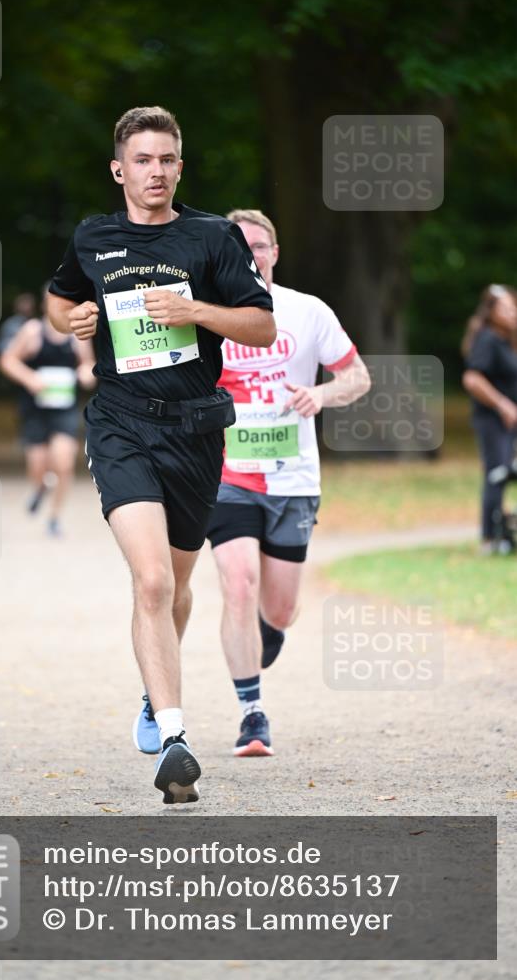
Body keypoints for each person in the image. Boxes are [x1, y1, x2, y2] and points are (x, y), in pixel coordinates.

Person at [47, 106, 276, 803]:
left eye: (166, 159)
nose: (154, 171)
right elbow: (61, 302)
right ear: (119, 170)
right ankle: (175, 738)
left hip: (196, 431)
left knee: (176, 588)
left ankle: (154, 692)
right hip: (120, 422)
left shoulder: (211, 237)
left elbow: (261, 325)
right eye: (141, 160)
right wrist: (72, 318)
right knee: (149, 582)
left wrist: (197, 313)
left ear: (180, 166)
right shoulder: (94, 237)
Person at [205, 209, 371, 756]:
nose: (251, 254)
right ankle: (252, 714)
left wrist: (321, 396)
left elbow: (356, 377)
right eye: (240, 246)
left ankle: (261, 632)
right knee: (239, 583)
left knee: (278, 610)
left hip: (294, 478)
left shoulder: (307, 311)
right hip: (228, 476)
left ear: (275, 252)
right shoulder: (206, 315)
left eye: (260, 245)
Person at [0, 284, 96, 537]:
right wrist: (29, 377)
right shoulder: (32, 331)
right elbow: (8, 360)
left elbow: (88, 364)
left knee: (63, 463)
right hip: (35, 408)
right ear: (47, 305)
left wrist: (86, 375)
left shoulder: (77, 334)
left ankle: (54, 517)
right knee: (38, 466)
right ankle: (40, 488)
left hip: (64, 408)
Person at [461, 284, 517, 554]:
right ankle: (489, 538)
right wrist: (503, 405)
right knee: (496, 474)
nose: (512, 312)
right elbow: (472, 378)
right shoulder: (487, 339)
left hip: (509, 422)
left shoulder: (506, 341)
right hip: (493, 421)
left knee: (505, 473)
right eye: (506, 307)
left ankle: (503, 532)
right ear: (491, 311)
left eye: (513, 307)